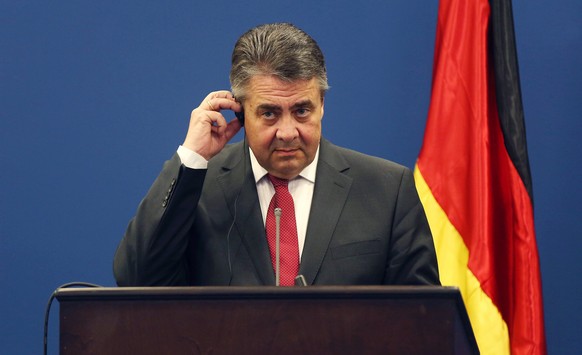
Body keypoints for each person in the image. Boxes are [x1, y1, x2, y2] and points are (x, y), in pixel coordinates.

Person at [113, 23, 439, 287]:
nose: (287, 132)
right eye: (269, 113)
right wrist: (192, 157)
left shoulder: (387, 189)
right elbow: (136, 278)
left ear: (322, 104)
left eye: (301, 111)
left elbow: (424, 321)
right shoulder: (198, 188)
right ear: (240, 112)